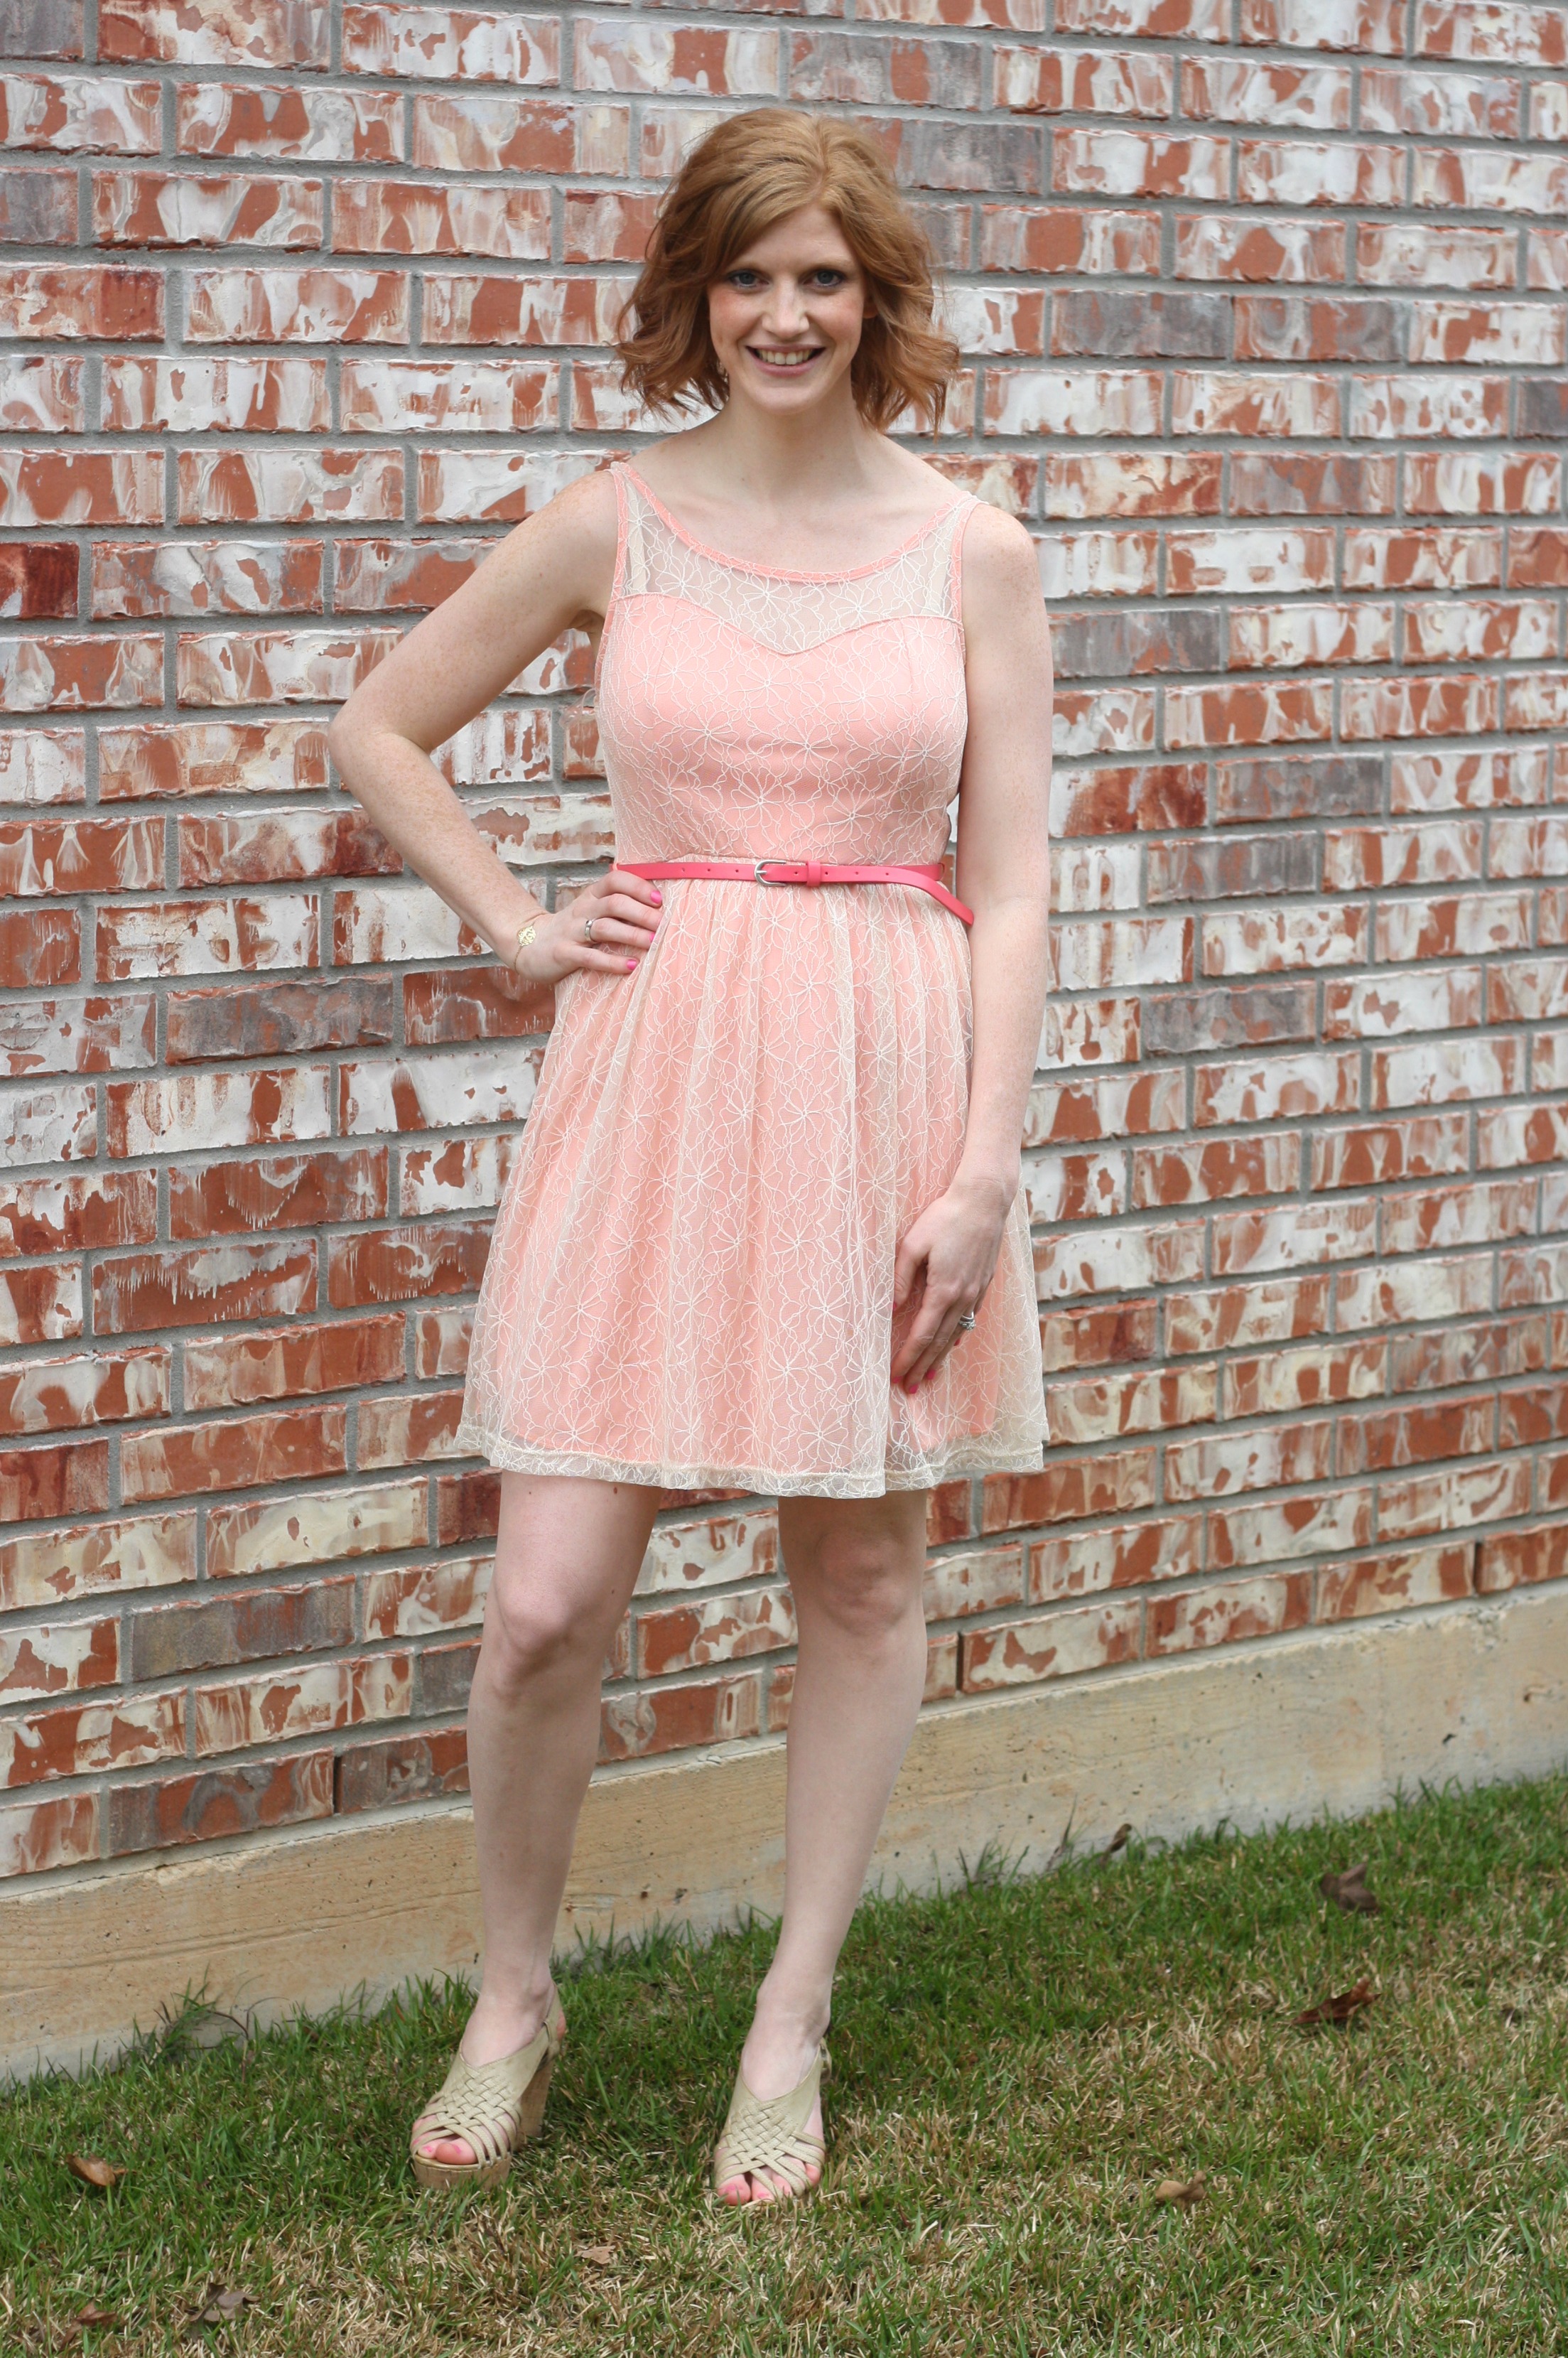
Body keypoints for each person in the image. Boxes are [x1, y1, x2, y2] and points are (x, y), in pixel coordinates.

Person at [328, 106, 1054, 2207]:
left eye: (822, 277)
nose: (784, 315)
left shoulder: (970, 550)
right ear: (696, 295)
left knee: (862, 1568)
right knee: (546, 1599)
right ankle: (512, 1999)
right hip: (651, 1082)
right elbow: (378, 726)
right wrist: (513, 922)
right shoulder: (615, 525)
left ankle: (788, 2018)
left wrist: (982, 1171)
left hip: (883, 1081)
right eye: (747, 275)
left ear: (876, 299)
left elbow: (1010, 885)